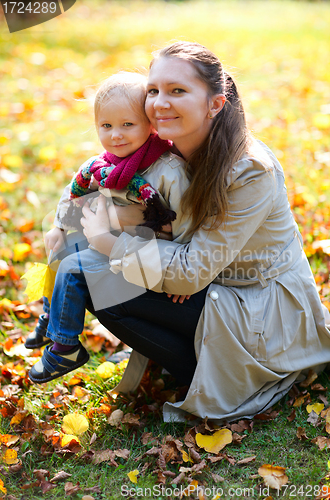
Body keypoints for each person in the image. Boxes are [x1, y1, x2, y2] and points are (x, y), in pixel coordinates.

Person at [30, 41, 330, 425]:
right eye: (153, 91)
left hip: (253, 305)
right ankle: (158, 351)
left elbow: (190, 273)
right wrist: (67, 224)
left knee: (91, 271)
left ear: (215, 104)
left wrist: (109, 239)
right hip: (203, 286)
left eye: (177, 91)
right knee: (78, 254)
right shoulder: (161, 149)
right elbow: (96, 178)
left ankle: (206, 369)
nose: (159, 102)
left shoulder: (250, 171)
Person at [25, 71, 191, 372]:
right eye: (106, 126)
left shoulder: (168, 170)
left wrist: (183, 272)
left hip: (150, 257)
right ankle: (51, 317)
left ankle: (65, 347)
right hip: (115, 243)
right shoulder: (103, 165)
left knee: (74, 268)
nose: (116, 134)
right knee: (61, 251)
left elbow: (188, 222)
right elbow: (73, 192)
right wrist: (59, 226)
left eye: (128, 124)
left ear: (150, 124)